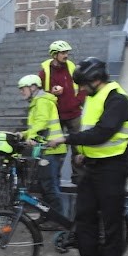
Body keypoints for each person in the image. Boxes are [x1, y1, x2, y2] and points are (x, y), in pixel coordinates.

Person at [47, 57, 128, 256]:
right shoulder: (94, 98)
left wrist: (67, 138)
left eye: (83, 84)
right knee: (85, 216)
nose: (81, 90)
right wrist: (82, 152)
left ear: (95, 80)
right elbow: (92, 133)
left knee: (111, 219)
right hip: (93, 165)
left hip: (113, 167)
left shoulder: (117, 99)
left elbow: (102, 133)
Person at [17, 74, 66, 217]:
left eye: (23, 88)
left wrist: (30, 137)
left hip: (50, 149)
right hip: (48, 148)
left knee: (49, 186)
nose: (21, 91)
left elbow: (42, 122)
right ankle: (51, 216)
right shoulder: (38, 102)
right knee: (48, 186)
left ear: (33, 87)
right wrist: (24, 134)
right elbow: (38, 125)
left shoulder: (42, 101)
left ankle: (58, 219)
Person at [39, 40, 85, 182]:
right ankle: (54, 177)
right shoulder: (44, 72)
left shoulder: (72, 67)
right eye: (63, 53)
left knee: (78, 146)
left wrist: (77, 101)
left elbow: (83, 86)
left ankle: (78, 177)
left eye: (67, 52)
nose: (66, 55)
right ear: (54, 55)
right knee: (56, 147)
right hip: (56, 115)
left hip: (74, 113)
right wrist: (50, 92)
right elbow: (38, 92)